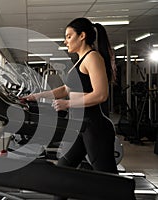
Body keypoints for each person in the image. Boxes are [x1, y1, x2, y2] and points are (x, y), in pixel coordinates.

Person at [22, 17, 118, 175]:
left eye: (68, 36)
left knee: (109, 179)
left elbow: (101, 94)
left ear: (82, 36)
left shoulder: (92, 57)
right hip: (80, 126)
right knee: (62, 173)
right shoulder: (80, 60)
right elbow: (66, 89)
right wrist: (37, 96)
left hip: (94, 128)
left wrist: (67, 104)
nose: (65, 41)